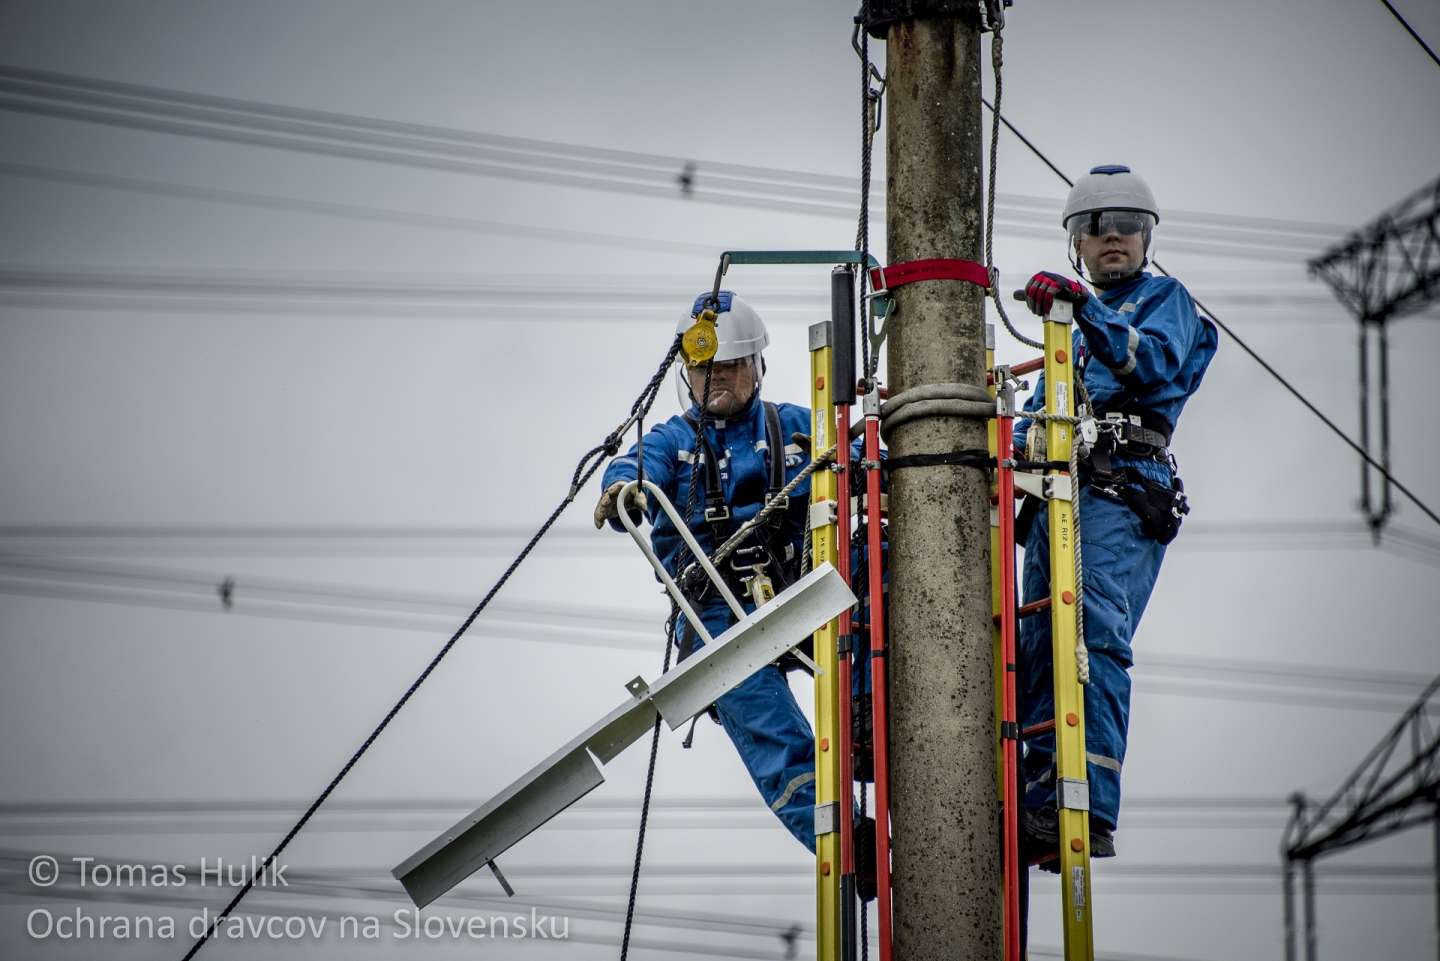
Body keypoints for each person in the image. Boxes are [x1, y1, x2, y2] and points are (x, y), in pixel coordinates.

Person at [1011, 164, 1218, 865]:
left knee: (1091, 632)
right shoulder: (1063, 341)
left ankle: (1088, 801)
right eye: (1094, 227)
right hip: (1052, 497)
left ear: (1148, 236)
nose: (1112, 239)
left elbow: (1152, 363)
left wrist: (1081, 309)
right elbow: (1033, 424)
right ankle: (1039, 798)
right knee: (1034, 642)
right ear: (1076, 241)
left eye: (1127, 225)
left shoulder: (1167, 301)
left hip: (1119, 486)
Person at [593, 291, 821, 852]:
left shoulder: (792, 427)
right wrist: (624, 487)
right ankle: (838, 836)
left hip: (800, 590)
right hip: (715, 613)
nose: (714, 379)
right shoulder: (675, 440)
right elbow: (637, 463)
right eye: (703, 369)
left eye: (728, 367)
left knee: (874, 578)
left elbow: (867, 452)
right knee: (758, 706)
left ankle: (870, 715)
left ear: (755, 367)